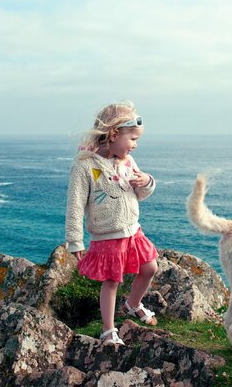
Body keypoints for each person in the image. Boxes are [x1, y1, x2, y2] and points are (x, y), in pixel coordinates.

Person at [65, 100, 159, 345]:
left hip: (133, 231)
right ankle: (108, 330)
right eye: (133, 139)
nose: (135, 146)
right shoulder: (84, 165)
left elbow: (141, 192)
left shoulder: (127, 161)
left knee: (150, 268)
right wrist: (75, 241)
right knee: (112, 281)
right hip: (108, 235)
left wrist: (147, 181)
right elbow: (74, 205)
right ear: (114, 134)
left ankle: (133, 304)